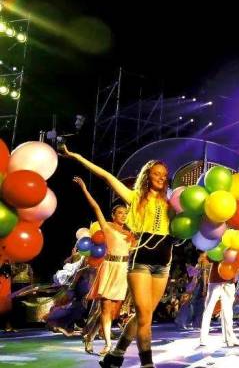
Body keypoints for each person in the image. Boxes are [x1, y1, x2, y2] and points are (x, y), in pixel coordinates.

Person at [63, 145, 173, 368]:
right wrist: (76, 155)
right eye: (156, 174)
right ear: (147, 176)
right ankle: (147, 364)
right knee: (144, 317)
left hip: (164, 263)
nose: (161, 177)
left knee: (145, 315)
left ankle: (115, 355)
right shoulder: (135, 198)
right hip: (141, 262)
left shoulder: (172, 203)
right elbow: (106, 176)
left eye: (164, 174)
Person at [75, 177, 136, 355]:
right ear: (113, 215)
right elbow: (95, 207)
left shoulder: (130, 234)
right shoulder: (107, 227)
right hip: (109, 268)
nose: (123, 215)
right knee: (105, 308)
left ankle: (90, 335)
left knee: (112, 312)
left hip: (123, 270)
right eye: (120, 213)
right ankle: (108, 344)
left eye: (125, 213)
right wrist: (84, 189)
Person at [199, 253, 239, 347]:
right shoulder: (216, 246)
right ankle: (203, 339)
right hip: (215, 280)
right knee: (208, 310)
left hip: (229, 281)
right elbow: (207, 257)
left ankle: (229, 338)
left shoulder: (235, 248)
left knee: (228, 312)